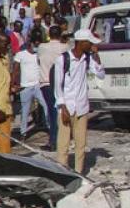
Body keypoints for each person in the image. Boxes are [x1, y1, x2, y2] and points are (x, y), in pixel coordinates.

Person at [54, 28, 105, 173]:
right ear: (82, 43)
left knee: (80, 144)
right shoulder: (63, 59)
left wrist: (96, 54)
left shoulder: (87, 58)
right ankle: (62, 171)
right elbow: (58, 86)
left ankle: (79, 172)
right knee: (63, 144)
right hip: (66, 107)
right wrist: (62, 107)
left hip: (82, 107)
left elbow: (101, 74)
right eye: (90, 43)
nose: (91, 45)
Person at [14, 32, 45, 140]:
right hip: (25, 86)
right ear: (29, 44)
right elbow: (16, 70)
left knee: (45, 106)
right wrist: (16, 84)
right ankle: (23, 132)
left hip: (38, 85)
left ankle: (49, 126)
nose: (35, 47)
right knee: (25, 110)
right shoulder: (20, 55)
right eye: (34, 45)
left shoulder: (39, 54)